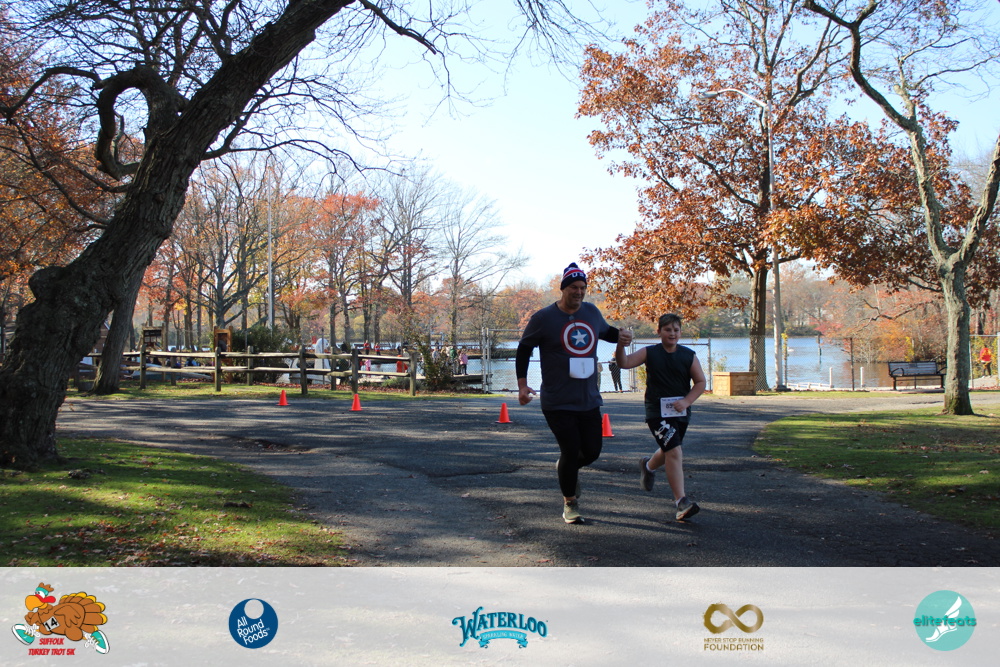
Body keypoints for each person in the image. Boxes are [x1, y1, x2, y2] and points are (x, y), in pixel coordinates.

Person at [516, 262, 621, 524]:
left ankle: (566, 469)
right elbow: (524, 349)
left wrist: (623, 335)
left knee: (592, 451)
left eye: (583, 287)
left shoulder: (591, 312)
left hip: (588, 398)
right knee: (571, 450)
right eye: (574, 287)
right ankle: (570, 503)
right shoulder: (543, 318)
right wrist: (522, 385)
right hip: (557, 400)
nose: (579, 292)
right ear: (563, 289)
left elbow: (606, 332)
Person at [615, 313, 707, 522]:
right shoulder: (650, 352)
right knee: (674, 450)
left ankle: (648, 466)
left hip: (680, 412)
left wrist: (687, 401)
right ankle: (681, 502)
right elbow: (624, 363)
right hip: (657, 412)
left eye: (676, 330)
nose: (672, 334)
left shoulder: (688, 355)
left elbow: (701, 382)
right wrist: (620, 345)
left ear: (680, 332)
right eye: (667, 330)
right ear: (659, 332)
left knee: (669, 449)